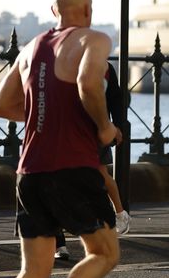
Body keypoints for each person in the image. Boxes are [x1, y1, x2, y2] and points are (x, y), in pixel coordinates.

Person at [0, 0, 122, 278]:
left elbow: (0, 105)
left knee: (32, 271)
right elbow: (88, 83)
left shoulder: (31, 48)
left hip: (29, 172)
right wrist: (105, 127)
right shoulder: (94, 39)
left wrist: (44, 113)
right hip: (73, 167)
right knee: (105, 252)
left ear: (54, 11)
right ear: (89, 9)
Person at [56, 62, 131, 262]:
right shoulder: (73, 63)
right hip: (80, 132)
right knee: (68, 180)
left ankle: (118, 215)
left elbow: (113, 97)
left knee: (98, 174)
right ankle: (62, 241)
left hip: (93, 132)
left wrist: (116, 126)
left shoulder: (101, 66)